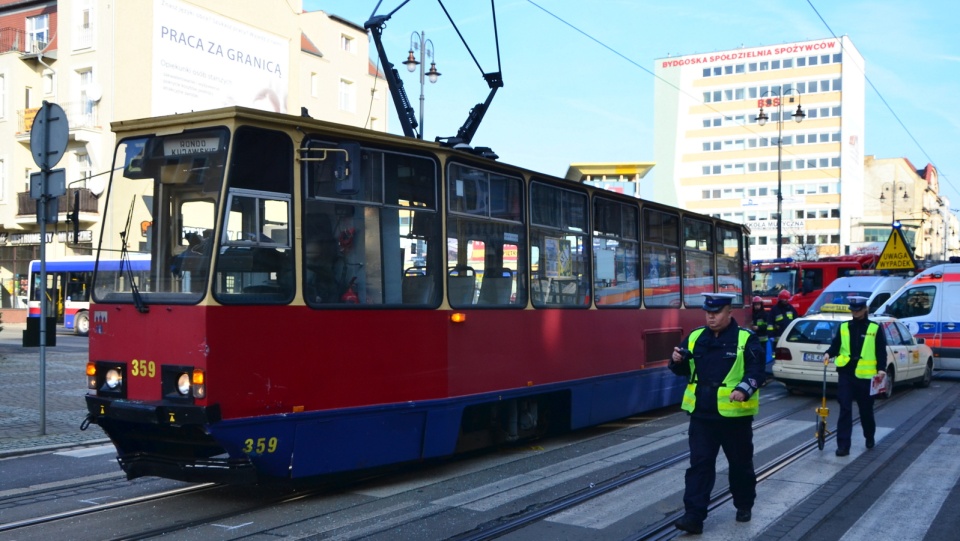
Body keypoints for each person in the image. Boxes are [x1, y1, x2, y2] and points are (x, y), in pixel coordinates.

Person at [669, 292, 766, 534]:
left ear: (729, 312)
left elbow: (757, 370)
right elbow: (680, 369)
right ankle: (693, 516)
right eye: (708, 313)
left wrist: (745, 389)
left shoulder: (746, 339)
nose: (711, 317)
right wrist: (677, 360)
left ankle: (744, 504)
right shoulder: (695, 337)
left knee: (740, 465)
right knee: (699, 466)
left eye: (716, 313)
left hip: (734, 418)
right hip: (702, 416)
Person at [822, 295, 887, 456]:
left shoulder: (875, 328)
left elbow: (881, 351)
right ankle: (843, 446)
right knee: (845, 409)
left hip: (866, 377)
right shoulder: (844, 326)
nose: (855, 313)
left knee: (866, 411)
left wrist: (881, 368)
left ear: (865, 309)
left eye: (858, 310)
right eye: (853, 310)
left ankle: (869, 434)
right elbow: (836, 346)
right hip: (846, 373)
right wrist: (828, 353)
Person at [750, 295, 773, 373]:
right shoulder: (751, 315)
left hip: (763, 340)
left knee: (762, 356)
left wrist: (759, 328)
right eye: (755, 305)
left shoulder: (765, 314)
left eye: (758, 304)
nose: (757, 306)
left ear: (761, 305)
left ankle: (762, 371)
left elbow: (767, 326)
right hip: (754, 339)